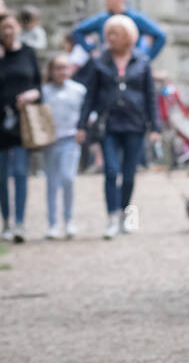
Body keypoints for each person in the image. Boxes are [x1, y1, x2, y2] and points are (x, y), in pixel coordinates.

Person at [75, 15, 161, 239]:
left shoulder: (141, 62)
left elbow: (151, 97)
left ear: (128, 37)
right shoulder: (99, 62)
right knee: (111, 171)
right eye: (108, 34)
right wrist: (81, 125)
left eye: (115, 34)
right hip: (108, 124)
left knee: (130, 174)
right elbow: (90, 96)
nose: (109, 38)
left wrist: (155, 128)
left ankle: (125, 214)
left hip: (135, 124)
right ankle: (111, 217)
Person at [0, 13, 43, 241]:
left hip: (22, 122)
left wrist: (31, 94)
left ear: (18, 28)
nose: (8, 31)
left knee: (19, 173)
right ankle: (5, 221)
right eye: (4, 27)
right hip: (1, 121)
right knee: (1, 176)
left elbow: (39, 85)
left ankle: (19, 223)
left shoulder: (28, 52)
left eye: (11, 26)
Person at [42, 54, 86, 239]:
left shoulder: (79, 90)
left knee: (68, 179)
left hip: (70, 140)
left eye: (64, 67)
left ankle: (68, 220)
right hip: (51, 142)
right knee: (52, 183)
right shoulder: (44, 91)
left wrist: (82, 129)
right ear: (51, 71)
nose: (61, 71)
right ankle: (52, 223)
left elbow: (86, 113)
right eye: (57, 68)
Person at [71, 0, 166, 61]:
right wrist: (91, 51)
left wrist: (146, 58)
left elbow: (160, 36)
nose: (105, 2)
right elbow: (77, 31)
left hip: (131, 65)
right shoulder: (102, 18)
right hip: (107, 64)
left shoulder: (136, 18)